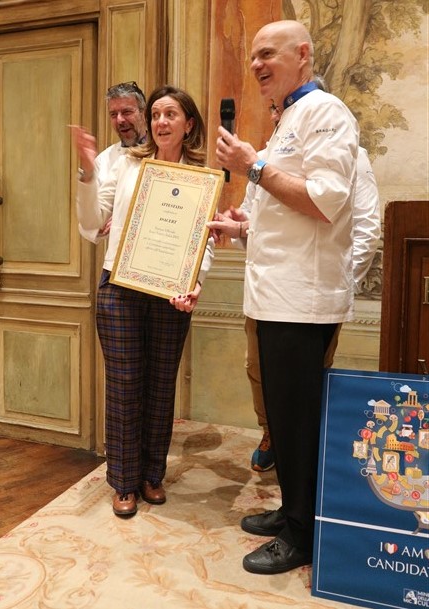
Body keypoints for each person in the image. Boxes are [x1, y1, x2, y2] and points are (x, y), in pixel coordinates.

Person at [211, 20, 360, 575]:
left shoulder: (326, 113)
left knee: (298, 423)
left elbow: (324, 202)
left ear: (303, 55)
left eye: (267, 54)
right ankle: (292, 510)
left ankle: (302, 535)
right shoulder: (287, 119)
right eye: (253, 56)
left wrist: (252, 165)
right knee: (283, 419)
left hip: (302, 300)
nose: (256, 65)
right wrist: (240, 226)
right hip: (274, 297)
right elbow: (282, 217)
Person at [71, 85, 214, 517]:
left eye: (170, 114)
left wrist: (196, 282)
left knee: (160, 385)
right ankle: (124, 481)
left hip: (171, 293)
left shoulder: (201, 175)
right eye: (155, 115)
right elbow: (92, 221)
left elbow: (204, 238)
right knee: (124, 385)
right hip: (120, 288)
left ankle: (152, 475)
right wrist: (87, 174)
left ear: (188, 124)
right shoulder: (126, 165)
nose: (160, 122)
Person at [224, 85, 380, 474]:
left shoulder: (350, 155)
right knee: (258, 369)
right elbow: (258, 222)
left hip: (312, 294)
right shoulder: (264, 157)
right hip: (266, 290)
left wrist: (340, 281)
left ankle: (303, 457)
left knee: (305, 385)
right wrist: (240, 227)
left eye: (286, 105)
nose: (279, 114)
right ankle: (272, 433)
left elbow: (365, 227)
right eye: (275, 107)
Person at [77, 80, 147, 242]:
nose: (120, 120)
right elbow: (88, 221)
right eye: (113, 114)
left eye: (127, 112)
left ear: (143, 113)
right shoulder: (104, 160)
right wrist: (98, 227)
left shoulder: (164, 152)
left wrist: (124, 217)